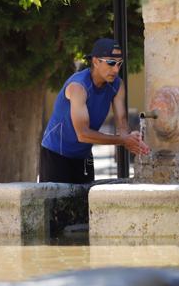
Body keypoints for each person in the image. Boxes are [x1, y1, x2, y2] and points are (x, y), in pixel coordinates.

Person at [39, 38, 150, 184]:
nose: (116, 69)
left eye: (119, 63)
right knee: (56, 205)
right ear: (96, 61)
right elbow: (83, 134)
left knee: (85, 203)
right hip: (56, 154)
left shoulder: (117, 84)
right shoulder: (78, 86)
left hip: (84, 155)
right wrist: (123, 140)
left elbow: (122, 122)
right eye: (111, 63)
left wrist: (132, 140)